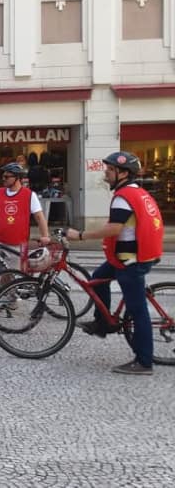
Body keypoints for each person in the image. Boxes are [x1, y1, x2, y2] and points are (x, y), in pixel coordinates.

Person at [66, 151, 164, 375]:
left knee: (137, 311)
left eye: (110, 170)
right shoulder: (136, 192)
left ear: (122, 173)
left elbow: (115, 228)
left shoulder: (123, 196)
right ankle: (103, 323)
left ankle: (144, 362)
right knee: (97, 279)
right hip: (127, 257)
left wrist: (80, 235)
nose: (106, 174)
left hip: (131, 260)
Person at [0, 163, 51, 263]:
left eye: (6, 177)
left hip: (17, 245)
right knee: (1, 273)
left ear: (17, 178)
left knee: (14, 275)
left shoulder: (29, 195)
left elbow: (39, 217)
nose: (3, 179)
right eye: (2, 176)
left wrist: (45, 236)